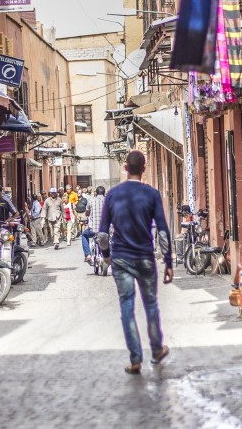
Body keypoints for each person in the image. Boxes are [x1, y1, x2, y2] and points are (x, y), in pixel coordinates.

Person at [97, 151, 173, 374]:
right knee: (151, 304)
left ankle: (136, 359)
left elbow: (102, 234)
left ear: (125, 168)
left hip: (121, 258)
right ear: (144, 168)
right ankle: (157, 349)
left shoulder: (112, 194)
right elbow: (162, 231)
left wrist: (106, 256)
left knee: (127, 307)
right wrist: (168, 261)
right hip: (145, 257)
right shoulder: (151, 194)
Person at [81, 185, 105, 263]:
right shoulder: (108, 201)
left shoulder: (91, 201)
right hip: (105, 230)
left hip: (93, 229)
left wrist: (88, 214)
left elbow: (87, 212)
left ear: (96, 193)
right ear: (104, 193)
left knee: (84, 235)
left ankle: (88, 255)